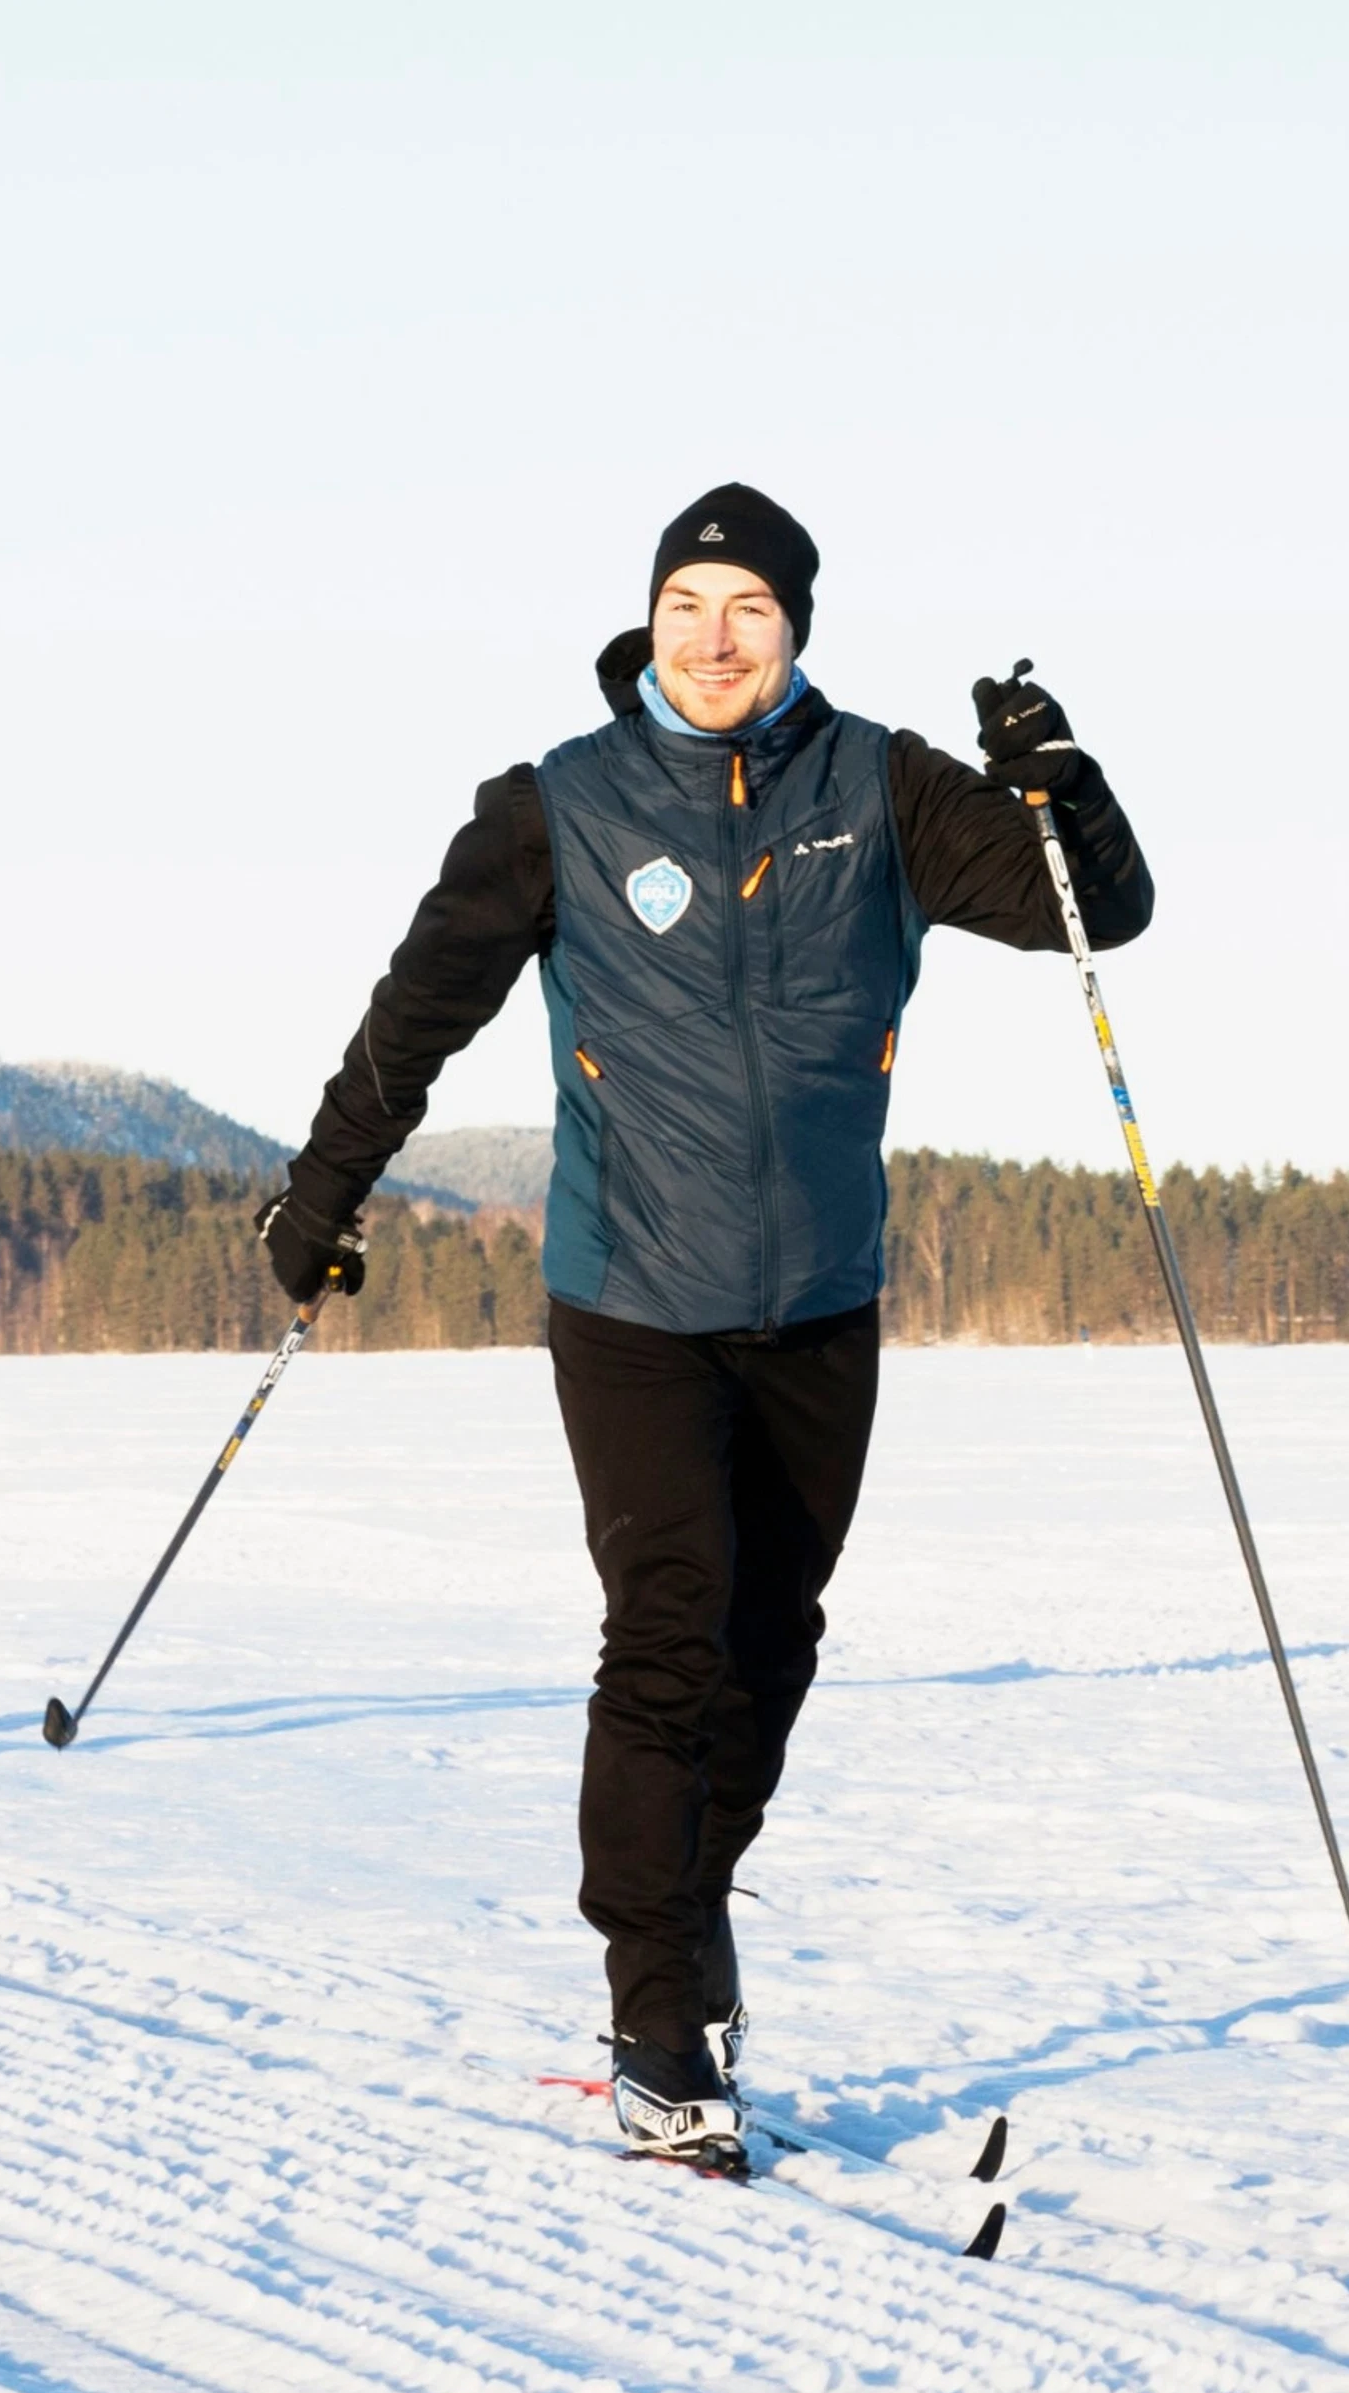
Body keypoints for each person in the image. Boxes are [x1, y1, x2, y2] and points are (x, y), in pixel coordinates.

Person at [258, 485, 1153, 2165]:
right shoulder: (559, 807)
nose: (717, 638)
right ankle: (658, 2016)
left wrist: (1060, 781)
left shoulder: (880, 785)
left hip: (820, 1289)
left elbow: (1087, 907)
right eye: (688, 607)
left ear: (796, 626)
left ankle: (685, 1895)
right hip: (635, 1296)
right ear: (647, 625)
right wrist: (319, 1194)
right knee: (671, 1633)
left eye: (748, 608)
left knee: (775, 1637)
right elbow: (419, 1006)